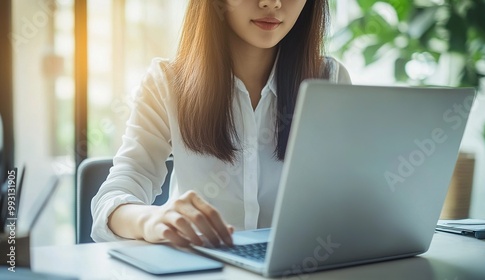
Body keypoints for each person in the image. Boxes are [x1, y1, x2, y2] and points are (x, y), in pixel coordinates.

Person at [91, 0, 351, 248]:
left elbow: (354, 197)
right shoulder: (167, 84)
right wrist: (152, 220)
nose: (271, 3)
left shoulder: (330, 81)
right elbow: (114, 197)